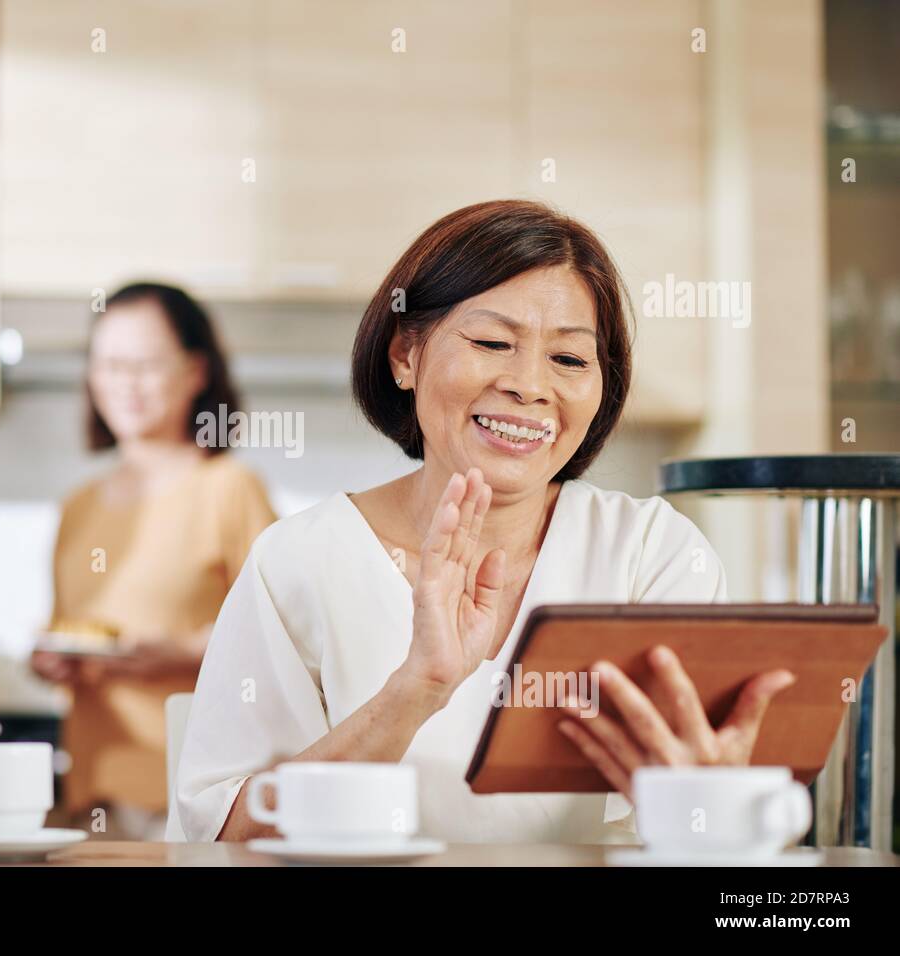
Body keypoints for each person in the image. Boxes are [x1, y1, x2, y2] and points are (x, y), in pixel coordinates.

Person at [169, 200, 796, 844]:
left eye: (571, 360)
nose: (529, 386)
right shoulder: (298, 560)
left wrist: (705, 798)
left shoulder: (651, 554)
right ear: (405, 356)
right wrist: (419, 687)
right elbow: (220, 841)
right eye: (492, 343)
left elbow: (702, 844)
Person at [32, 282, 276, 839]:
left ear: (195, 372)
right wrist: (55, 660)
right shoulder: (78, 507)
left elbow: (278, 642)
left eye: (146, 365)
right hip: (90, 794)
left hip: (191, 797)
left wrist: (174, 653)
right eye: (110, 365)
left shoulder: (230, 490)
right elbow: (75, 636)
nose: (126, 384)